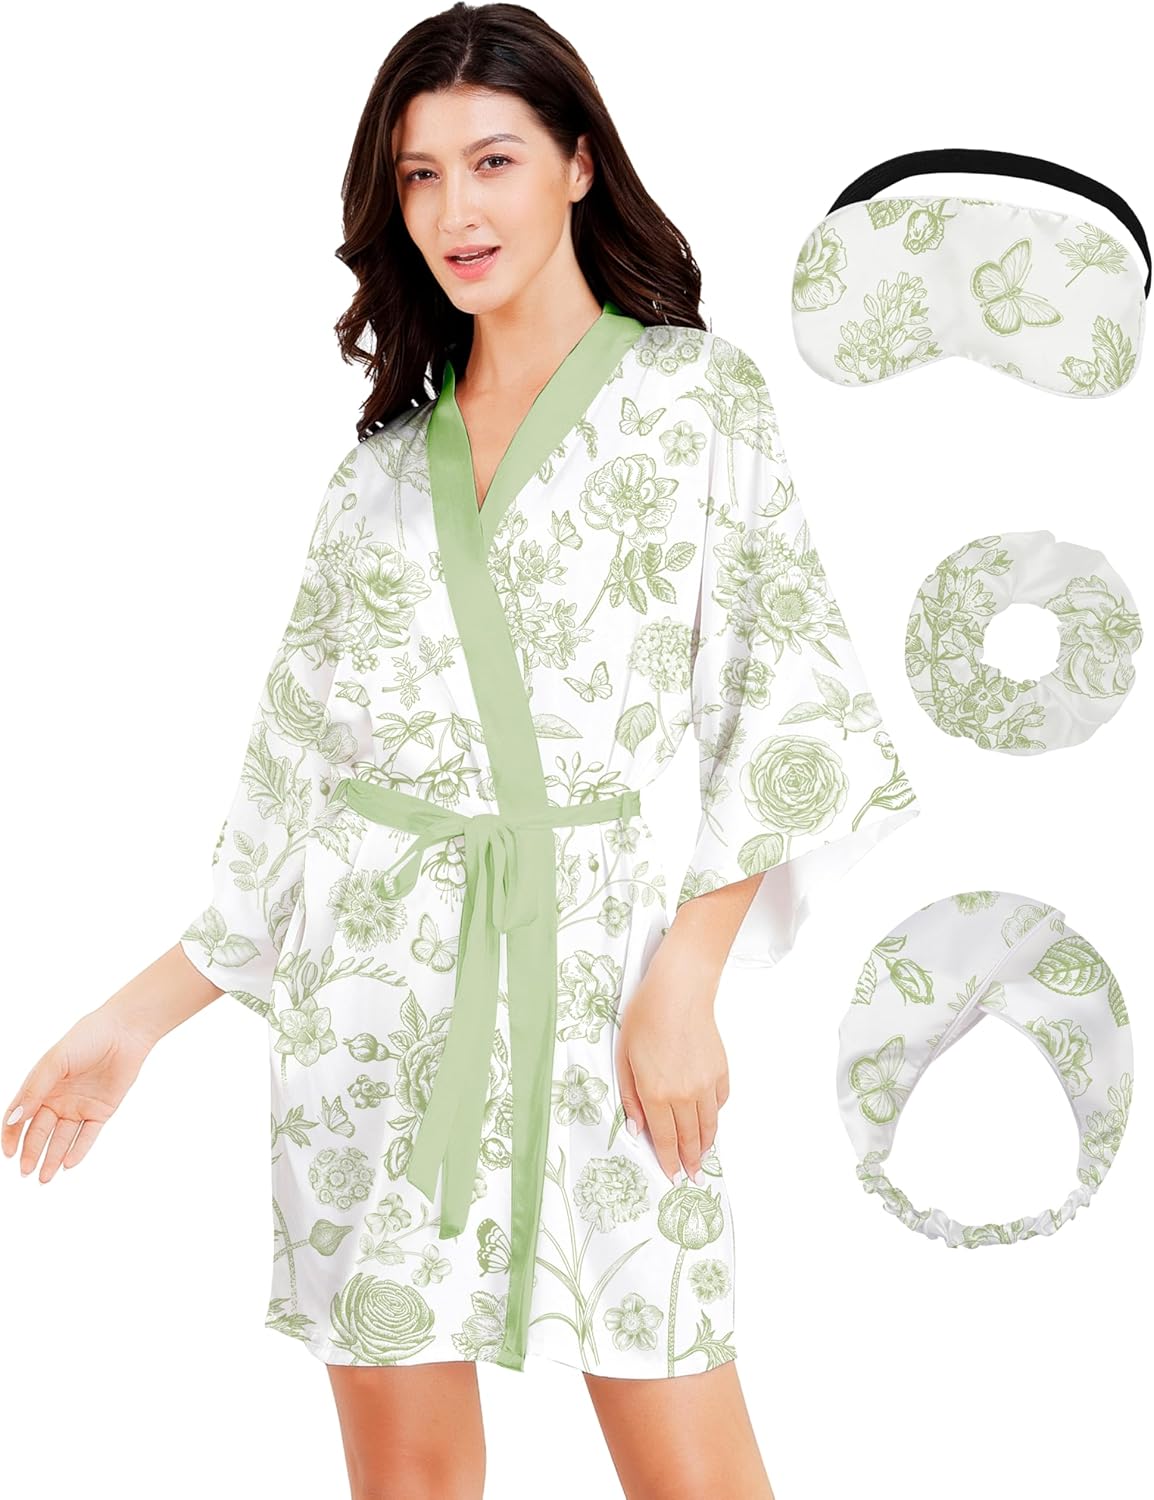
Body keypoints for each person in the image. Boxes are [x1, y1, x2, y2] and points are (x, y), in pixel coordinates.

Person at [2, 5, 919, 1497]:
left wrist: (685, 981)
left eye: (491, 160)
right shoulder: (372, 480)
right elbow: (289, 785)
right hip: (374, 1015)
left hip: (604, 988)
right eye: (419, 175)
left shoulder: (695, 400)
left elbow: (786, 706)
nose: (453, 209)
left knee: (692, 1459)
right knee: (411, 1483)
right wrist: (134, 1022)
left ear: (577, 163)